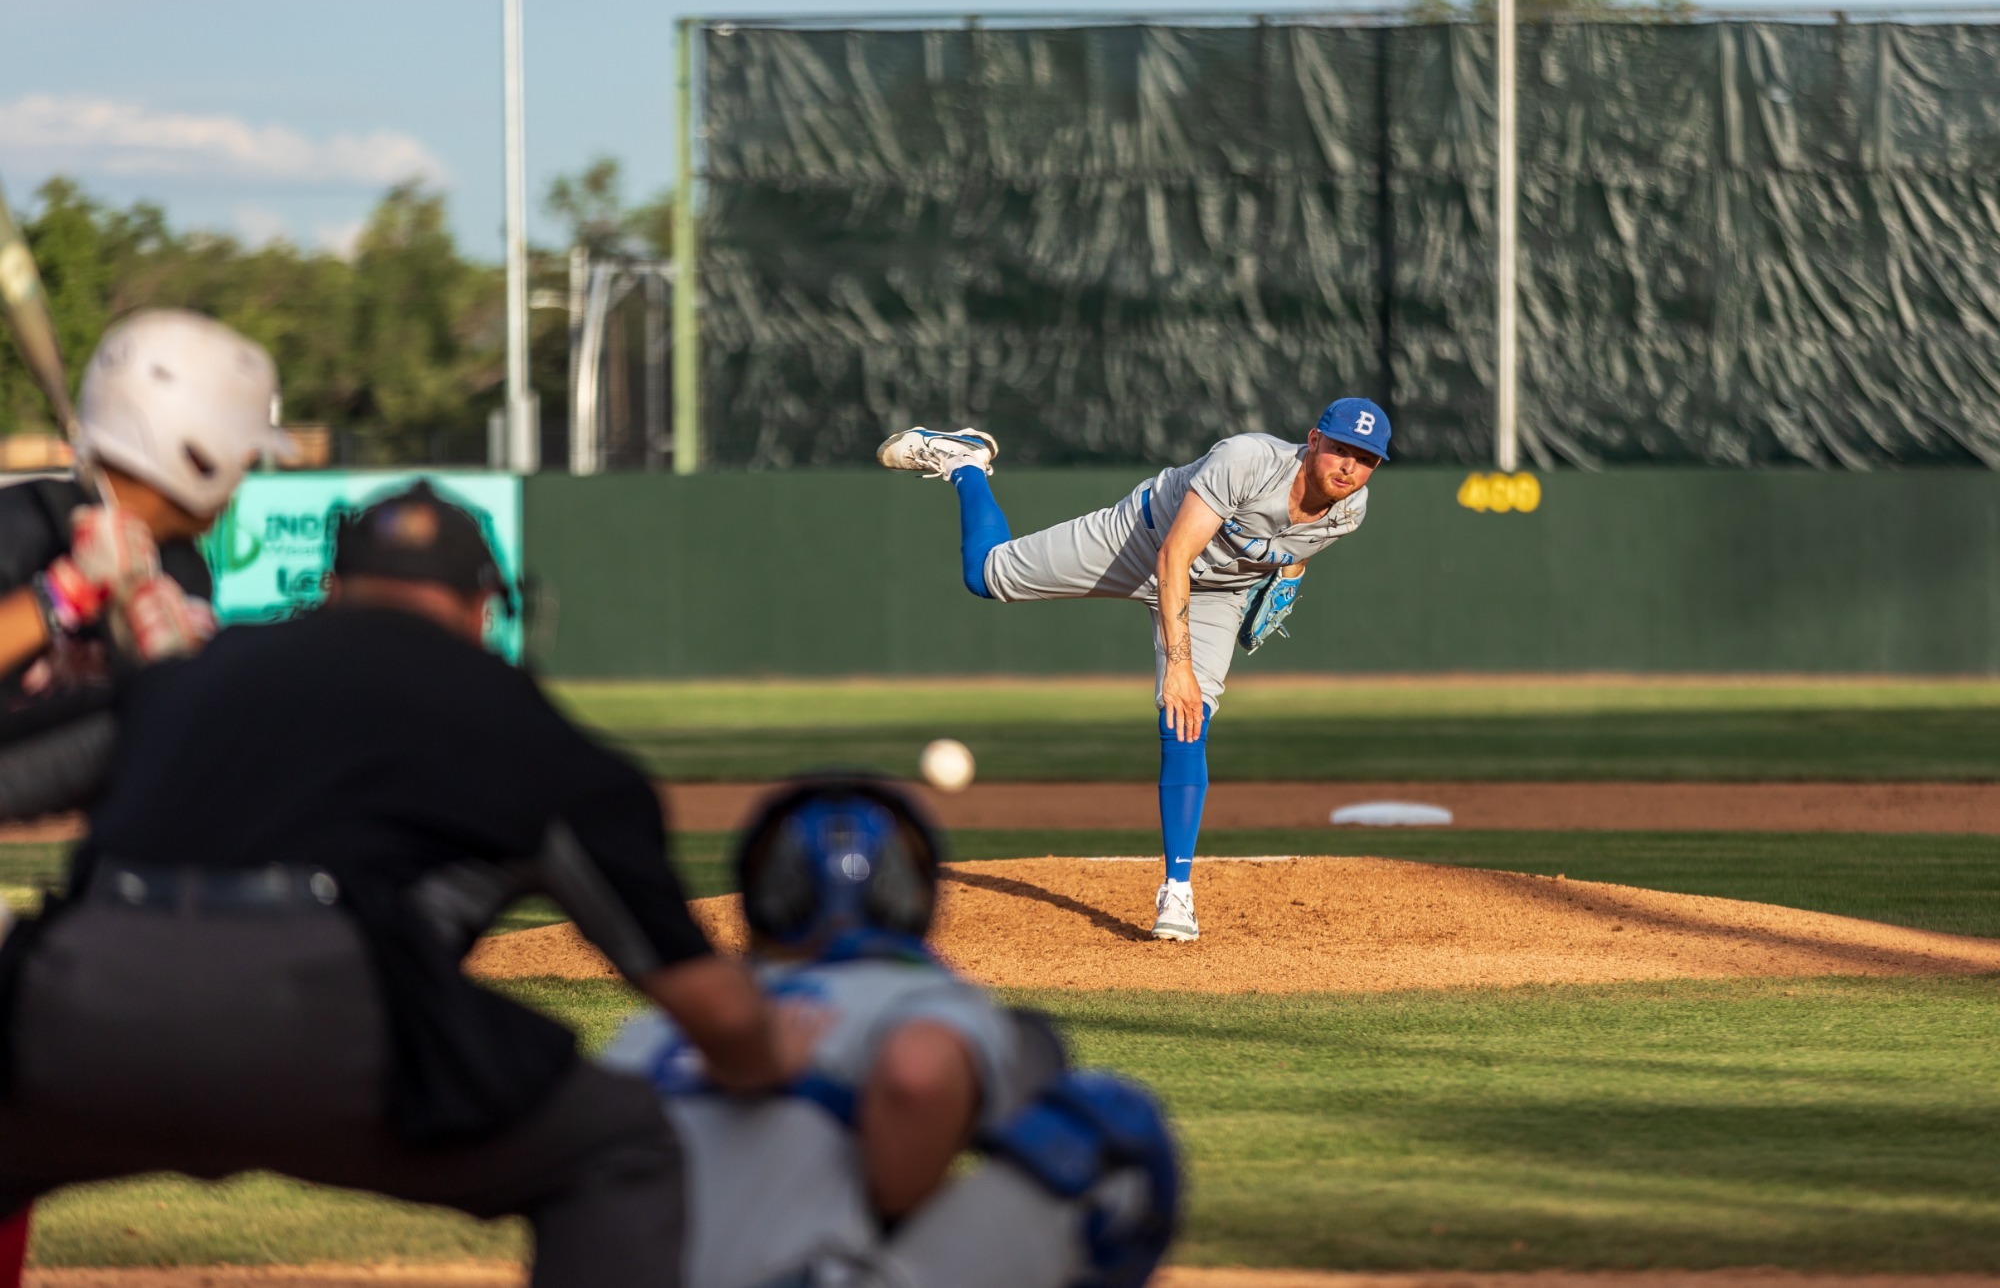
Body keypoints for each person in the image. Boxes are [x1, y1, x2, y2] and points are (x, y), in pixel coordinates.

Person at [0, 481, 820, 1288]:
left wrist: (147, 682)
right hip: (332, 1023)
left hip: (79, 1009)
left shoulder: (204, 672)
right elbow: (705, 1005)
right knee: (619, 1147)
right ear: (482, 606)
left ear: (331, 591)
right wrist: (770, 1048)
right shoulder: (519, 723)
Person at [604, 776, 1180, 1288]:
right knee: (1109, 1131)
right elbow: (915, 1076)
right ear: (910, 895)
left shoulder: (660, 1029)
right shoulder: (915, 995)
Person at [0, 308, 293, 1286]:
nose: (249, 475)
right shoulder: (20, 528)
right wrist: (65, 595)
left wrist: (173, 658)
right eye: (242, 455)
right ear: (200, 454)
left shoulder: (175, 562)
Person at [876, 399, 1390, 942]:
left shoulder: (1350, 510)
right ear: (1313, 440)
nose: (1349, 467)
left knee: (1188, 719)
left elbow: (1297, 549)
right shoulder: (1247, 460)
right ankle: (966, 464)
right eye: (1339, 449)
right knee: (988, 576)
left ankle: (1178, 892)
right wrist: (1178, 665)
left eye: (1366, 459)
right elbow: (1173, 559)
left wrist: (1288, 577)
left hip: (1220, 592)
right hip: (1139, 541)